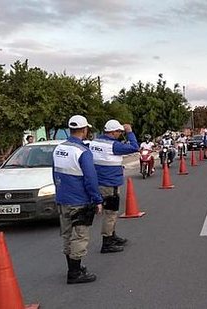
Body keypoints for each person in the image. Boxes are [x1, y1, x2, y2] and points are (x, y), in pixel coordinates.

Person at [53, 115, 103, 284]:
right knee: (80, 236)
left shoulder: (59, 148)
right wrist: (97, 200)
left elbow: (55, 174)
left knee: (67, 235)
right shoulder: (83, 152)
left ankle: (72, 267)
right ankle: (75, 273)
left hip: (63, 199)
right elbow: (91, 179)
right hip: (79, 201)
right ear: (84, 130)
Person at [89, 119, 139, 254]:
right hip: (110, 183)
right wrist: (129, 132)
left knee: (111, 212)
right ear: (112, 132)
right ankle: (107, 242)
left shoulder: (94, 142)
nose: (119, 134)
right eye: (118, 132)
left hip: (99, 182)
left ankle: (112, 235)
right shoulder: (113, 146)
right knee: (110, 213)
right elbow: (135, 147)